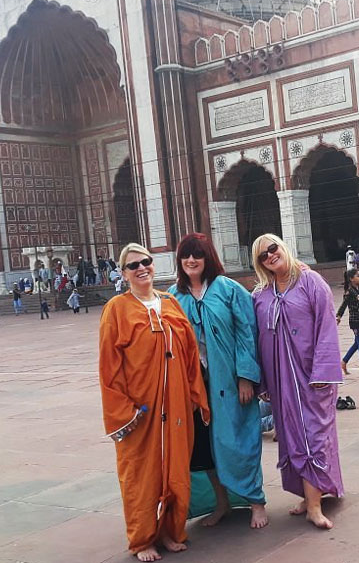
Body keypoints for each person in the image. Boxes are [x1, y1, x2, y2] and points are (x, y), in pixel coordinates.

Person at [100, 243, 209, 561]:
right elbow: (109, 367)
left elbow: (190, 354)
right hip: (140, 412)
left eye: (145, 262)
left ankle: (172, 531)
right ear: (124, 273)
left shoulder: (170, 302)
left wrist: (194, 395)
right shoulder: (117, 309)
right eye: (133, 266)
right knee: (141, 476)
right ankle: (143, 539)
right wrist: (124, 412)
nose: (142, 268)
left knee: (176, 470)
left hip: (175, 405)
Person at [167, 233, 268, 530]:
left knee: (239, 441)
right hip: (194, 385)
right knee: (205, 448)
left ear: (208, 257)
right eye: (186, 255)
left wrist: (246, 377)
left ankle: (256, 501)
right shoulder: (174, 296)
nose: (191, 260)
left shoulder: (229, 290)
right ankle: (221, 502)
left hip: (230, 382)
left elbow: (247, 334)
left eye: (197, 254)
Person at [250, 234, 343, 530]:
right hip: (281, 382)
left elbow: (327, 328)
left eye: (273, 249)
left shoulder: (311, 282)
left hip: (311, 378)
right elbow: (254, 338)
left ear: (283, 246)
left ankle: (314, 506)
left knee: (314, 437)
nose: (270, 256)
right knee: (291, 438)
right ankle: (308, 496)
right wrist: (261, 381)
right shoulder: (261, 295)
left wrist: (322, 373)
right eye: (263, 255)